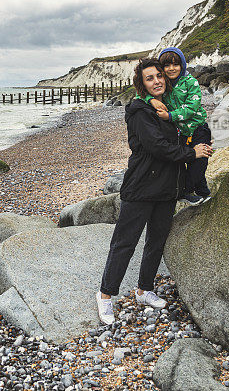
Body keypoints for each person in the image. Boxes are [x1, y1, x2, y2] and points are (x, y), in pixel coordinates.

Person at [97, 59, 212, 325]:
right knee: (124, 243)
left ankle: (144, 289)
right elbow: (157, 146)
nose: (157, 81)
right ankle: (105, 296)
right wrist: (190, 152)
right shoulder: (139, 110)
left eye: (159, 76)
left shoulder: (169, 108)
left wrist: (200, 145)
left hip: (167, 188)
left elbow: (187, 130)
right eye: (150, 78)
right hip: (141, 187)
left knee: (156, 241)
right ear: (142, 84)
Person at [149, 47, 212, 205]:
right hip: (180, 133)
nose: (171, 69)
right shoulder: (163, 83)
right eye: (167, 65)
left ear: (182, 65)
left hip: (199, 129)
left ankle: (184, 191)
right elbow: (141, 93)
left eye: (175, 64)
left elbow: (192, 107)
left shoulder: (190, 82)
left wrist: (170, 116)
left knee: (200, 161)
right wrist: (151, 100)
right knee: (186, 161)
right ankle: (204, 193)